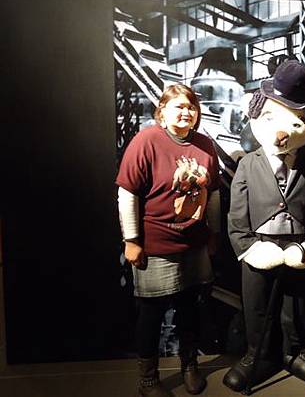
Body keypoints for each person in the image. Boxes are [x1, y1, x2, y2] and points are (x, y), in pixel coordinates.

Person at [223, 60, 305, 391]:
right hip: (259, 246)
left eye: (296, 122)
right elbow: (236, 214)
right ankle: (258, 353)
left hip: (299, 246)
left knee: (298, 302)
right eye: (270, 118)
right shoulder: (247, 165)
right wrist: (249, 248)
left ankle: (297, 351)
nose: (280, 133)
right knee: (256, 303)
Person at [116, 84, 220, 396]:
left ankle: (189, 366)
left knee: (190, 309)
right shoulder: (146, 141)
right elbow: (127, 192)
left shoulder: (205, 145)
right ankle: (148, 379)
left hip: (194, 244)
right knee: (151, 314)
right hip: (157, 245)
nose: (186, 112)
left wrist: (213, 233)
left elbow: (213, 193)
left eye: (191, 107)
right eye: (179, 107)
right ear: (162, 112)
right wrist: (132, 240)